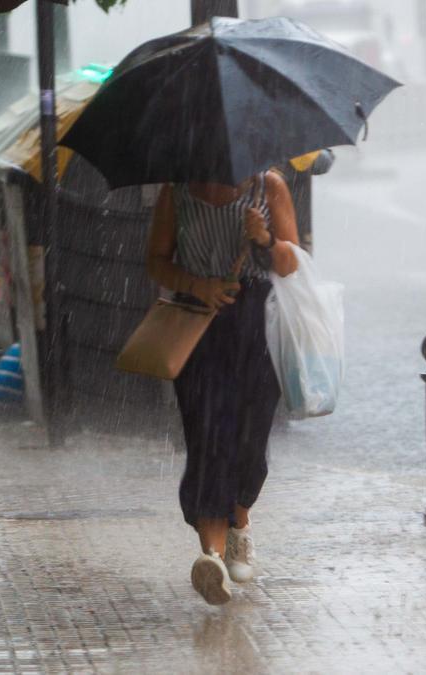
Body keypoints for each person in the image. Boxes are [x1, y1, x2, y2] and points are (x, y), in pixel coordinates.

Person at [145, 171, 299, 605]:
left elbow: (291, 264)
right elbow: (156, 260)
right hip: (199, 328)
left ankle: (240, 528)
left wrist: (264, 240)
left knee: (250, 440)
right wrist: (199, 285)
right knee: (208, 437)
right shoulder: (177, 191)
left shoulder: (270, 187)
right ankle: (210, 558)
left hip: (258, 329)